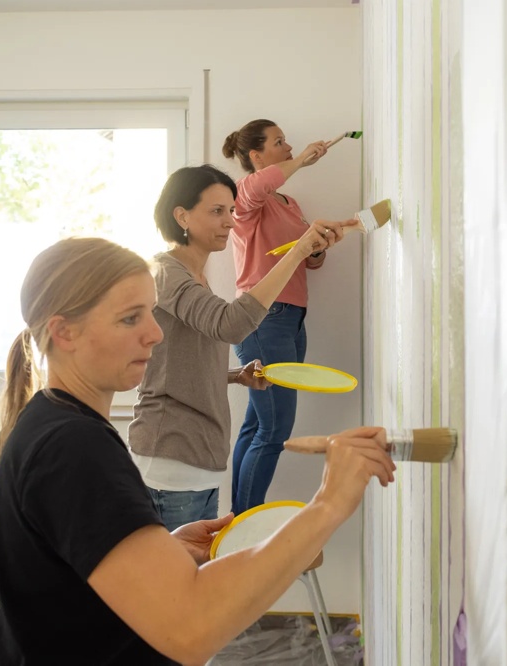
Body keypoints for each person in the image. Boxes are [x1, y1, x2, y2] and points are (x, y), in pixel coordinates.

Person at [0, 236, 396, 665]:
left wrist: (164, 551)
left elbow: (64, 581)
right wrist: (328, 506)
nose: (155, 333)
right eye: (130, 319)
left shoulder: (50, 422)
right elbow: (191, 629)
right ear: (64, 332)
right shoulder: (71, 447)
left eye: (151, 313)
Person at [128, 165, 353, 531]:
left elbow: (179, 362)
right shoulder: (167, 273)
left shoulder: (195, 277)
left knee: (196, 579)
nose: (230, 222)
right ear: (182, 215)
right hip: (171, 457)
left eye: (231, 211)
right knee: (179, 585)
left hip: (198, 460)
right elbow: (231, 325)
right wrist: (295, 253)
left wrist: (235, 376)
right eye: (217, 211)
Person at [223, 119, 351, 514]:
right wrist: (304, 161)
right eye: (279, 142)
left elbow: (307, 263)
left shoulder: (289, 204)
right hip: (262, 321)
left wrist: (317, 248)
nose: (289, 146)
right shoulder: (245, 200)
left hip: (291, 320)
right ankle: (244, 524)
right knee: (274, 430)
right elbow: (259, 185)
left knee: (258, 426)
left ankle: (237, 519)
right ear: (257, 156)